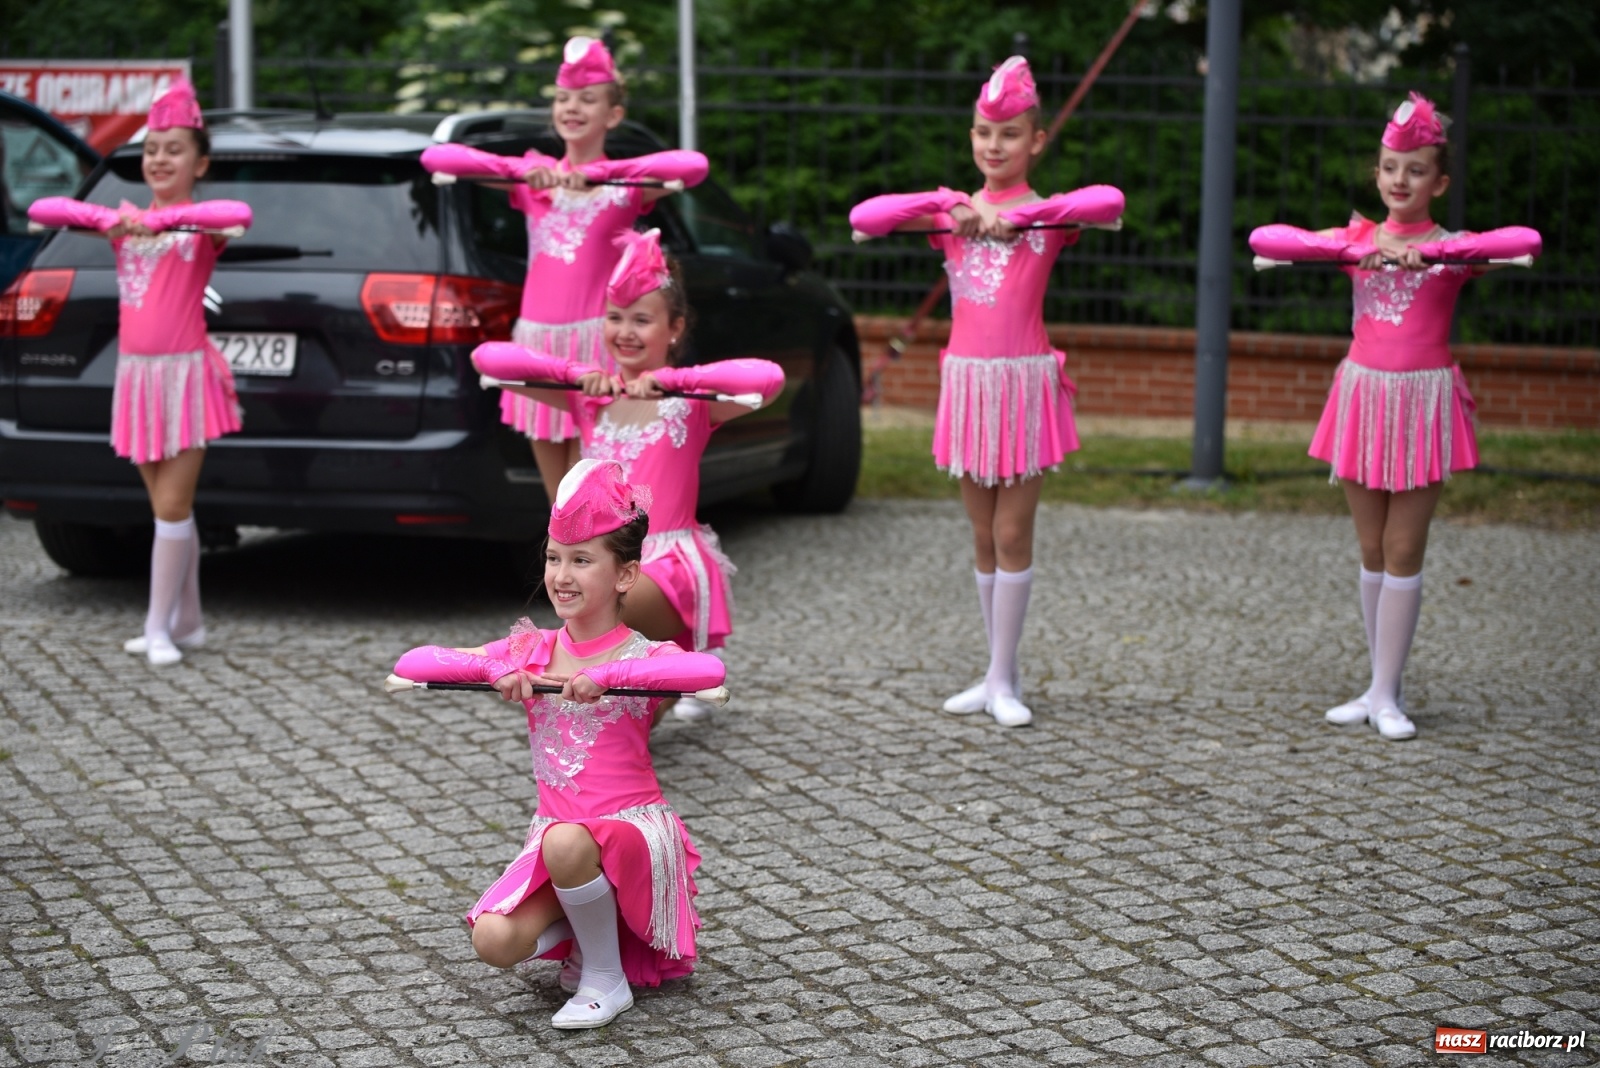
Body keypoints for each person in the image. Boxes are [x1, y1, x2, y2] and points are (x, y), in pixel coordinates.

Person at [392, 458, 726, 1028]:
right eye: (553, 559)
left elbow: (706, 672)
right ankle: (589, 930)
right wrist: (492, 672)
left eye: (581, 561)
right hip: (557, 841)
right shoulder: (532, 650)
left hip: (631, 831)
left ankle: (604, 979)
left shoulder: (641, 655)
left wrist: (609, 677)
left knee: (570, 842)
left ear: (624, 576)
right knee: (494, 941)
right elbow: (414, 662)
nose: (561, 576)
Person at [1248, 93, 1540, 741]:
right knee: (1372, 548)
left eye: (1414, 169)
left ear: (1439, 181)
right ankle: (1379, 685)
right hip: (1363, 397)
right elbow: (1265, 239)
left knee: (1405, 549)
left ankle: (1386, 696)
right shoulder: (1356, 239)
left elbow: (1526, 240)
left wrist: (1433, 258)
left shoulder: (1452, 248)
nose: (1399, 180)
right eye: (1388, 167)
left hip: (1422, 403)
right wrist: (1349, 254)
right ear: (1376, 174)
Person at [847, 56, 1125, 727]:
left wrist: (1025, 217)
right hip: (968, 383)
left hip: (1023, 383)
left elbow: (1109, 201)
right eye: (982, 133)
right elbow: (867, 215)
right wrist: (950, 207)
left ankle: (1006, 678)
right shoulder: (953, 214)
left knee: (1011, 527)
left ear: (1035, 141)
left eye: (1007, 134)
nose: (992, 145)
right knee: (980, 531)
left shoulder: (1047, 218)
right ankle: (994, 671)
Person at [472, 227, 784, 719]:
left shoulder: (690, 402)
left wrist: (673, 380)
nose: (625, 332)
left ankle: (599, 667)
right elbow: (489, 359)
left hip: (669, 562)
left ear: (675, 327)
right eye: (615, 318)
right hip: (610, 564)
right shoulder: (590, 397)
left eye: (642, 319)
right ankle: (668, 673)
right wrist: (575, 374)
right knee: (624, 712)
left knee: (594, 607)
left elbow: (768, 379)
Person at [420, 36, 708, 497]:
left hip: (595, 347)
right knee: (559, 504)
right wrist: (519, 172)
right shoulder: (535, 180)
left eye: (588, 100)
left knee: (591, 491)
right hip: (538, 346)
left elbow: (691, 166)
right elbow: (438, 157)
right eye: (563, 99)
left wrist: (598, 174)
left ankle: (611, 564)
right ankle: (570, 569)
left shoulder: (623, 187)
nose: (572, 108)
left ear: (612, 116)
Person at [27, 78, 252, 666]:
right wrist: (109, 221)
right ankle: (191, 620)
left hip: (184, 379)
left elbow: (237, 212)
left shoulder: (198, 228)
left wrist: (161, 224)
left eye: (174, 150)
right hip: (136, 379)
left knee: (172, 507)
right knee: (166, 507)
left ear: (198, 161)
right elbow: (43, 209)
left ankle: (156, 628)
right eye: (152, 149)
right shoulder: (122, 220)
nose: (159, 159)